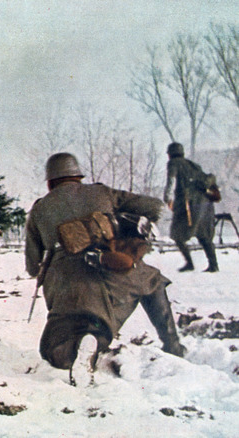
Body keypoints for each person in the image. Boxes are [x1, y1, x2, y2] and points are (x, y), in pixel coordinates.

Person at [25, 152, 185, 386]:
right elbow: (155, 207)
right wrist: (120, 224)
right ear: (78, 177)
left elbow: (32, 266)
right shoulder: (102, 192)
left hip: (66, 292)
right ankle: (173, 345)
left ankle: (79, 347)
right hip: (113, 274)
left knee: (55, 350)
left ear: (50, 182)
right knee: (152, 280)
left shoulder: (38, 209)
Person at [163, 142, 219, 272]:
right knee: (204, 235)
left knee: (177, 235)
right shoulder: (194, 165)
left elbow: (171, 181)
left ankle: (189, 263)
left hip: (188, 205)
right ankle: (214, 265)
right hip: (205, 204)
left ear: (170, 154)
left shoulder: (174, 163)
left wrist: (167, 198)